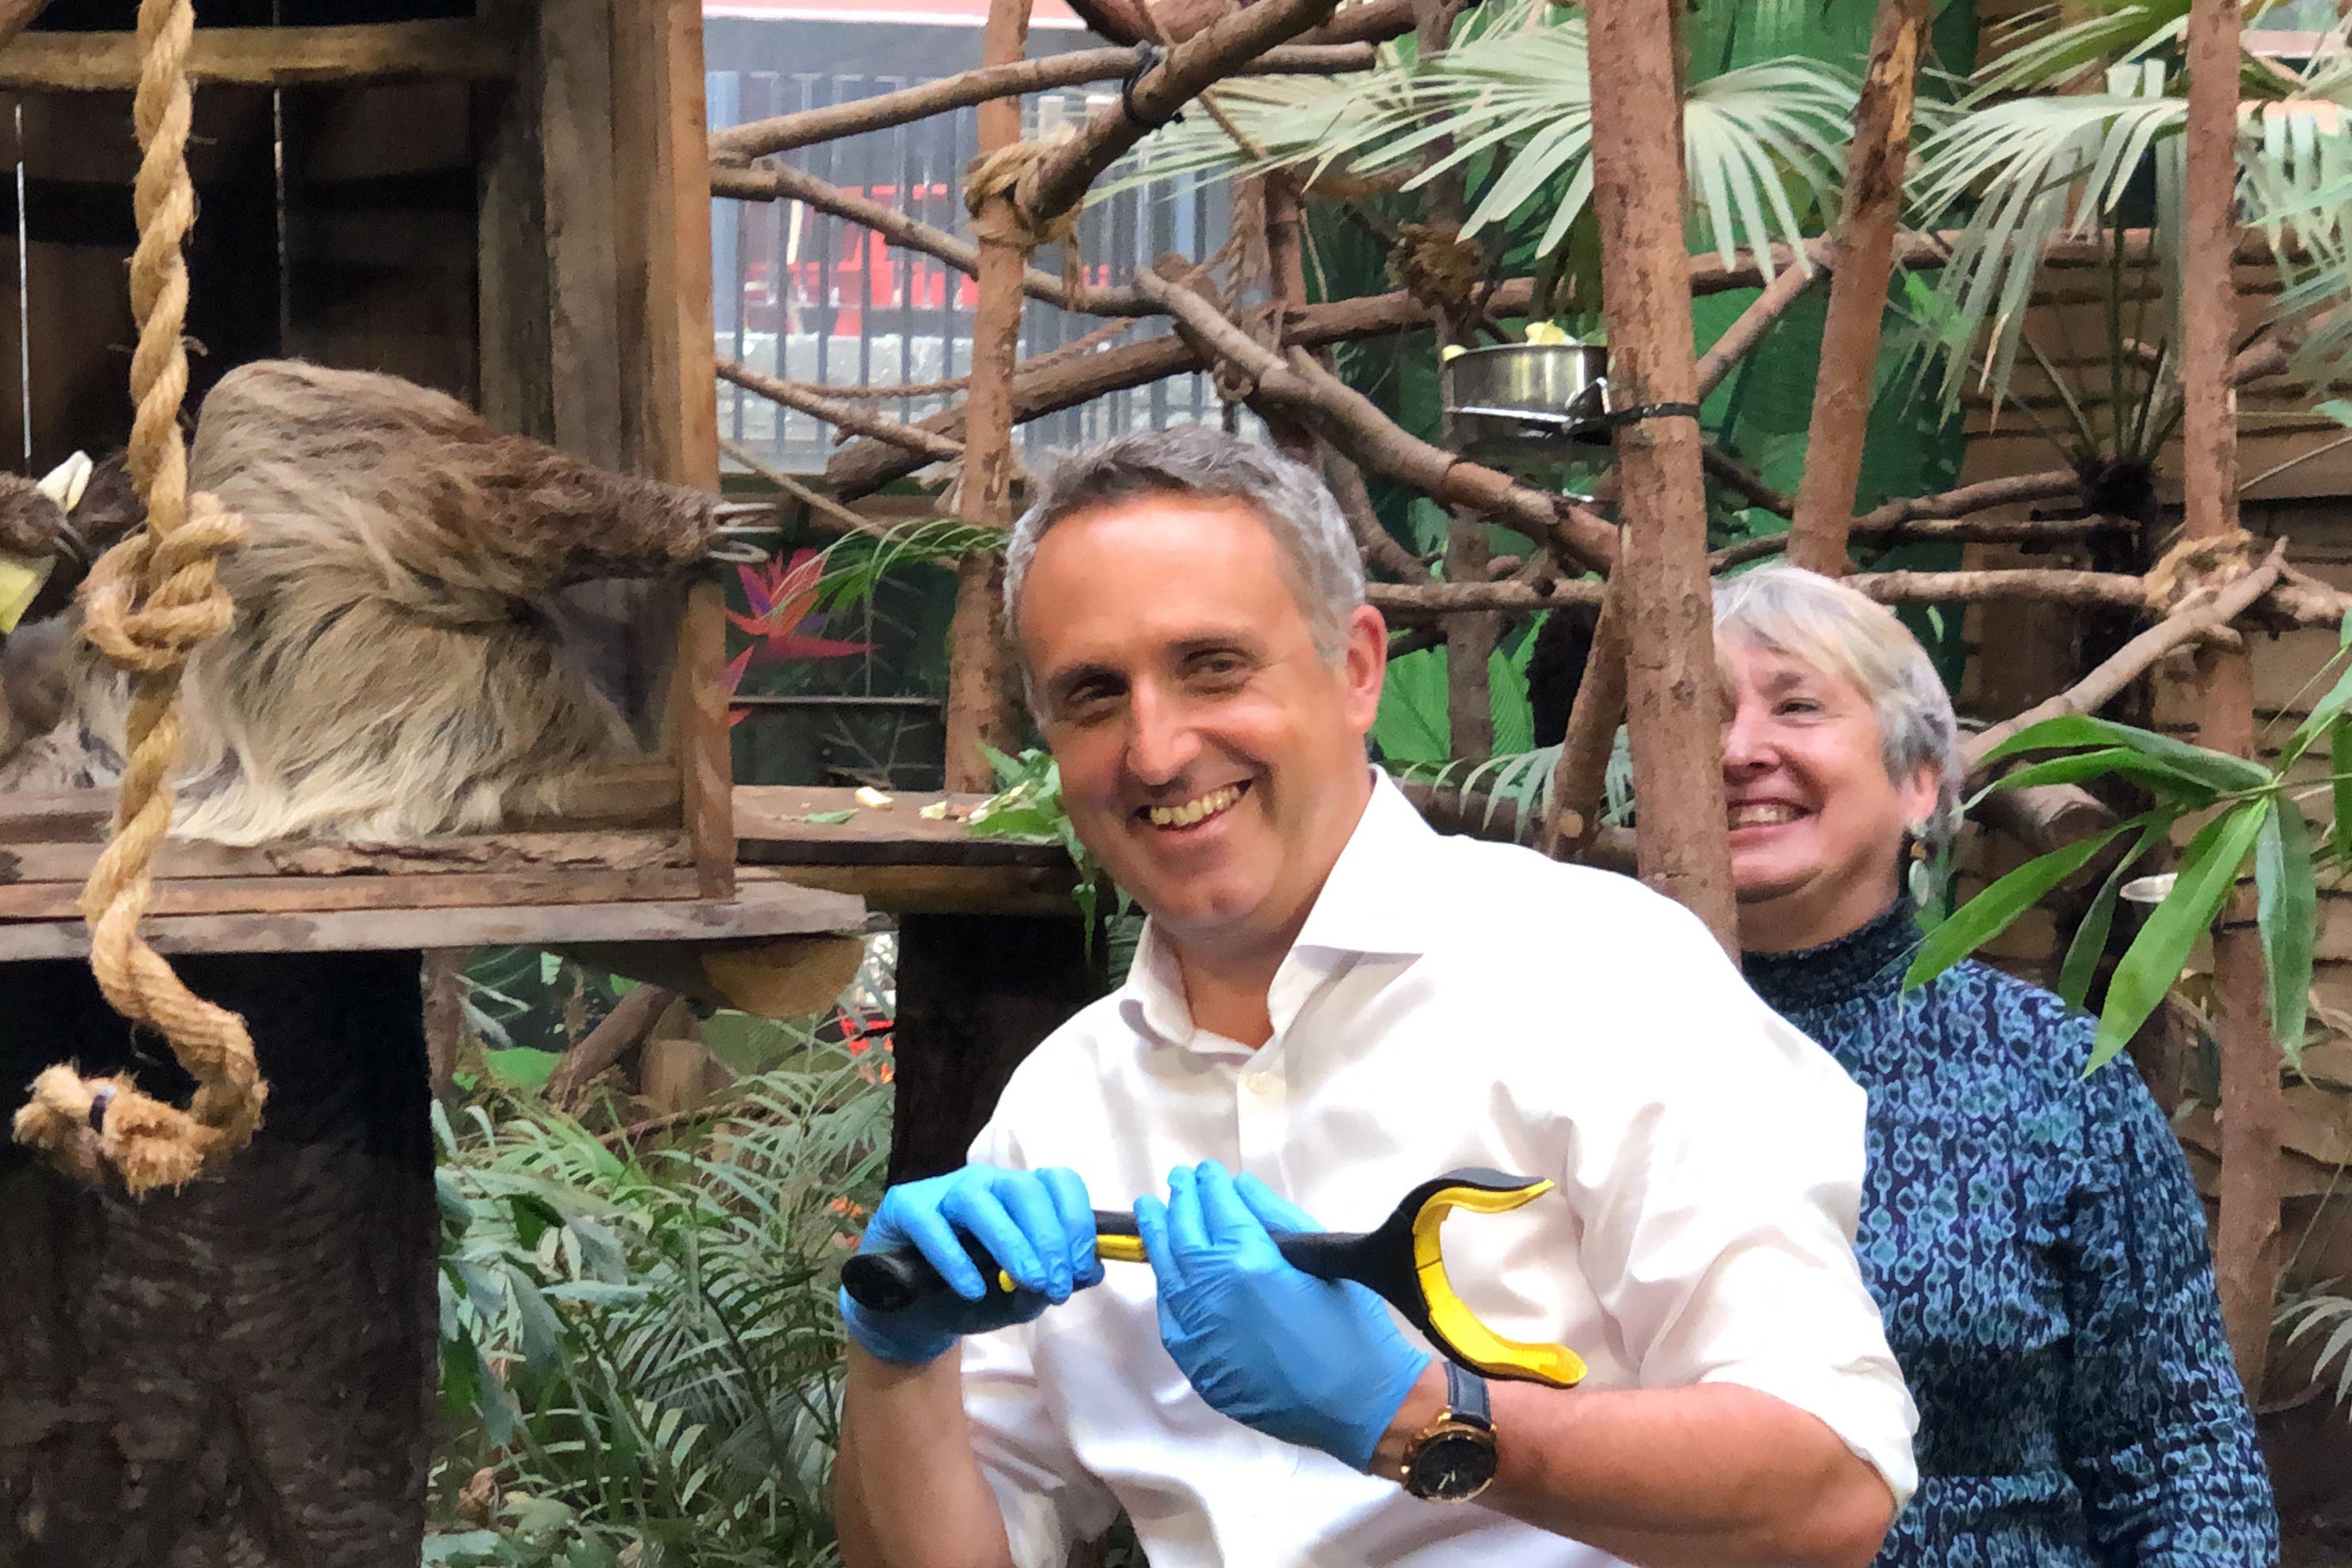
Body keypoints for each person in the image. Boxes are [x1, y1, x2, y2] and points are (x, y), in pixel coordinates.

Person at [832, 427, 1919, 1568]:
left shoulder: (1597, 975)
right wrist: (897, 1364)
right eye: (1094, 694)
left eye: (1212, 665)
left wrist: (1414, 1415)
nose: (1154, 750)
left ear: (1355, 670)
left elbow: (1830, 1486)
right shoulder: (1064, 1105)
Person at [1715, 564, 2278, 1566]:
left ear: (1919, 781)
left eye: (1797, 706)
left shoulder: (2053, 1074)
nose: (1741, 749)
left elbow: (2184, 1463)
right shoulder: (1595, 1044)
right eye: (1702, 716)